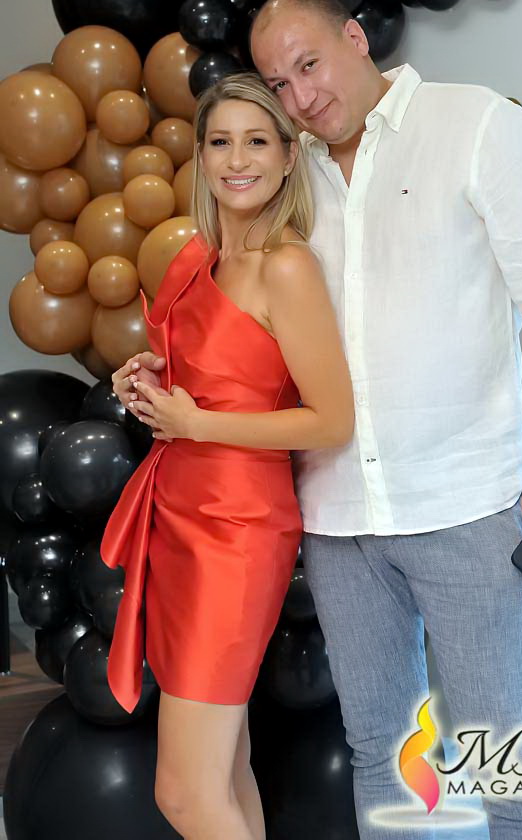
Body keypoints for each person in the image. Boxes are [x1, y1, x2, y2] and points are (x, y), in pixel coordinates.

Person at [250, 0, 522, 840]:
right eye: (279, 83)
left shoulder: (476, 125)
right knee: (382, 754)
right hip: (338, 517)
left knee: (511, 765)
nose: (301, 96)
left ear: (355, 37)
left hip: (467, 504)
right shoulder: (288, 174)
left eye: (309, 64)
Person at [100, 71, 355, 840]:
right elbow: (214, 375)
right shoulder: (198, 257)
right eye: (220, 142)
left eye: (256, 142)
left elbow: (331, 420)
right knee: (225, 770)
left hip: (237, 532)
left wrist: (198, 422)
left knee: (184, 794)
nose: (237, 160)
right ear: (202, 156)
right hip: (179, 515)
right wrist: (148, 380)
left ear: (288, 156)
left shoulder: (287, 265)